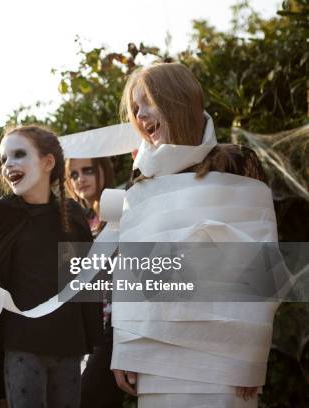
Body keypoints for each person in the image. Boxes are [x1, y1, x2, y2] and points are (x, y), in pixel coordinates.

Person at [110, 62, 277, 408]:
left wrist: (251, 354)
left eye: (147, 102)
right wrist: (125, 346)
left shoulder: (235, 161)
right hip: (157, 351)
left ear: (177, 99)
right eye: (135, 108)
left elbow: (261, 257)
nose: (140, 115)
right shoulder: (141, 181)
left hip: (225, 351)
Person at [0, 155, 124, 407]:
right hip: (76, 334)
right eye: (74, 174)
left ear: (104, 170)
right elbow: (19, 223)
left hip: (112, 329)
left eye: (88, 170)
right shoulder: (71, 217)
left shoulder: (119, 211)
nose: (80, 179)